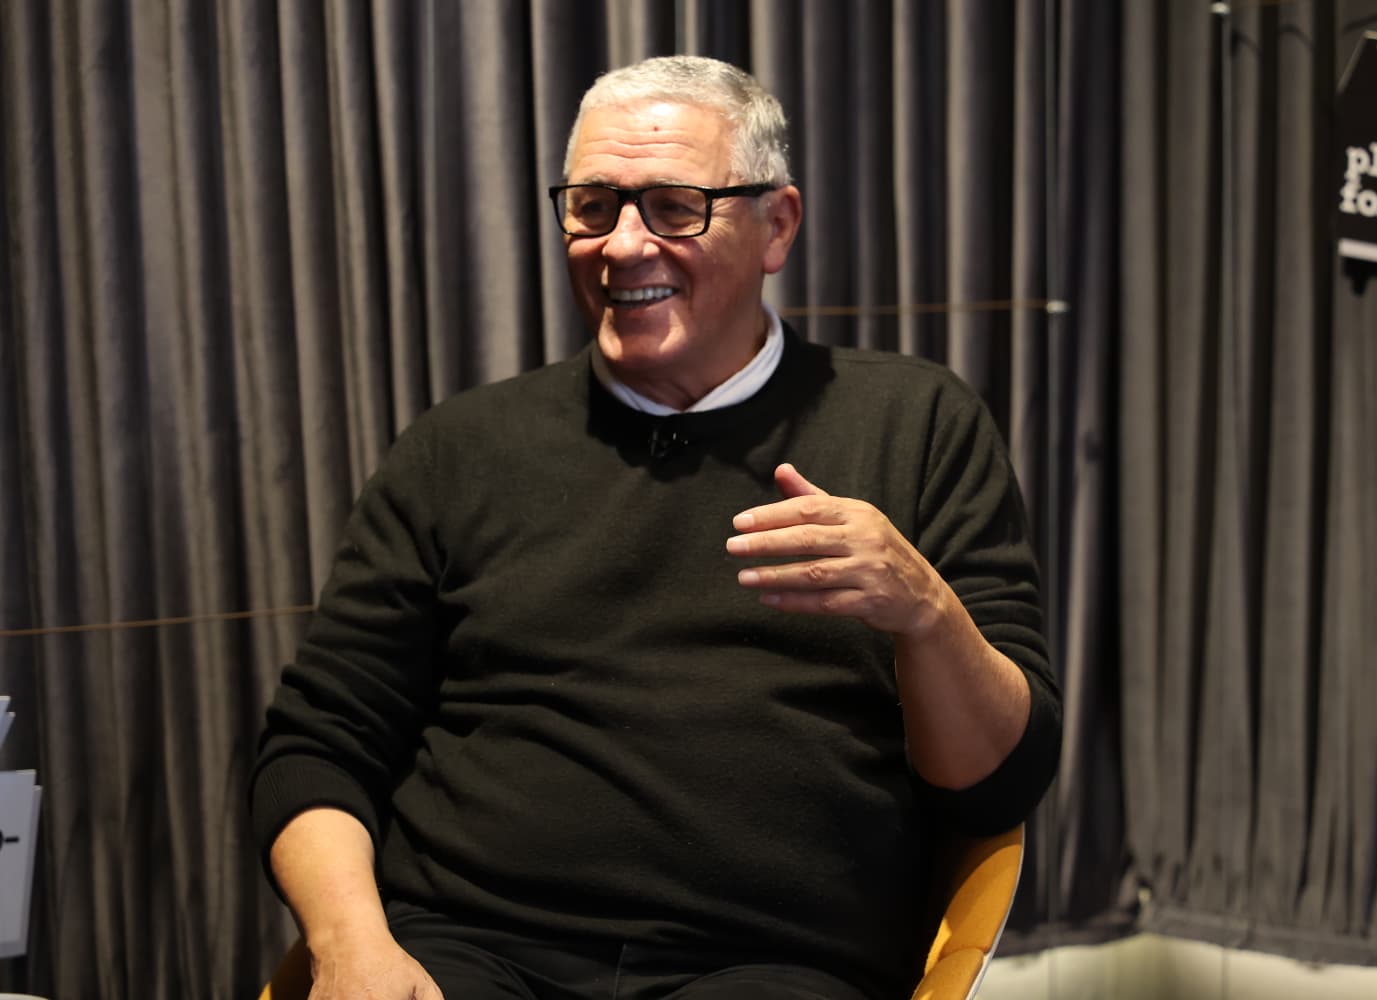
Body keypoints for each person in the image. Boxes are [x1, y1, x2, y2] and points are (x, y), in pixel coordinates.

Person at [251, 54, 1061, 1000]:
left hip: (776, 965)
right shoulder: (461, 448)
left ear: (777, 225)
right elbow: (320, 743)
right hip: (468, 950)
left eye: (676, 208)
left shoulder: (914, 423)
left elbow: (999, 784)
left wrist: (925, 611)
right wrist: (350, 945)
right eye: (593, 207)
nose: (624, 246)